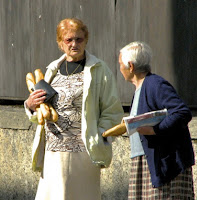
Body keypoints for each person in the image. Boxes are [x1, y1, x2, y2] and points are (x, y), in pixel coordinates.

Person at [24, 18, 124, 200]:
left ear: (86, 40)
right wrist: (30, 105)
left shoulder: (99, 70)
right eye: (69, 40)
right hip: (53, 153)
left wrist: (100, 136)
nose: (74, 44)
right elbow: (41, 112)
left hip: (83, 154)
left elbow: (113, 111)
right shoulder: (52, 70)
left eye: (79, 39)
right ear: (60, 44)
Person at [119, 41, 195, 199]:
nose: (120, 69)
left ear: (130, 66)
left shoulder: (155, 84)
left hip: (165, 165)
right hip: (145, 162)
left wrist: (155, 130)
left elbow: (182, 112)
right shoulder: (140, 89)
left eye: (120, 64)